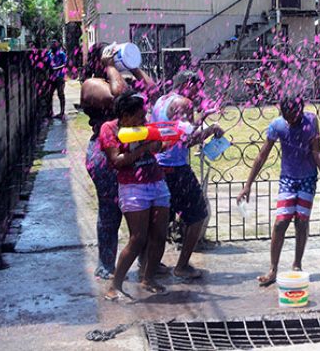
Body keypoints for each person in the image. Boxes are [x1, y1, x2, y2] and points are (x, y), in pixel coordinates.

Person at [237, 96, 320, 286]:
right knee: (281, 222)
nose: (291, 120)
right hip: (287, 179)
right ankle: (273, 269)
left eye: (294, 116)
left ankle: (297, 264)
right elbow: (262, 155)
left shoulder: (311, 121)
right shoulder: (277, 125)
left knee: (302, 222)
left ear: (301, 110)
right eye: (287, 116)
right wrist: (248, 184)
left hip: (308, 179)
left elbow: (317, 151)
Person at [81, 43, 156, 279]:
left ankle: (146, 261)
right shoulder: (91, 84)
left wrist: (134, 67)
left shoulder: (121, 80)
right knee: (111, 208)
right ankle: (106, 266)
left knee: (142, 206)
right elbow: (119, 95)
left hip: (133, 147)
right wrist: (111, 67)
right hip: (106, 152)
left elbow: (152, 90)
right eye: (111, 53)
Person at [151, 71, 224, 279]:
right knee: (198, 214)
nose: (198, 92)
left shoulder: (161, 101)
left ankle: (151, 264)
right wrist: (211, 130)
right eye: (196, 87)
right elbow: (189, 140)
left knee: (162, 219)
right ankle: (182, 266)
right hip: (176, 169)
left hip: (159, 166)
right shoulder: (184, 103)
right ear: (187, 85)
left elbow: (176, 131)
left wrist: (202, 119)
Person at [100, 90, 170, 300]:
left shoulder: (144, 127)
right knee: (137, 238)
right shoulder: (109, 129)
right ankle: (115, 286)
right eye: (140, 116)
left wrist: (157, 143)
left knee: (159, 235)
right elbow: (117, 161)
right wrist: (144, 148)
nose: (144, 119)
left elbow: (158, 148)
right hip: (133, 187)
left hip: (156, 181)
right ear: (125, 116)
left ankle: (148, 278)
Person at [46, 39, 68, 119]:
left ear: (57, 45)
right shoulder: (49, 54)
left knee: (60, 94)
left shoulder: (61, 54)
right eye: (52, 44)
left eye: (54, 44)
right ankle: (50, 112)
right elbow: (47, 64)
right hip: (51, 78)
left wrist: (56, 68)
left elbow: (65, 64)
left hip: (60, 77)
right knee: (49, 95)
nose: (53, 46)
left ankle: (62, 112)